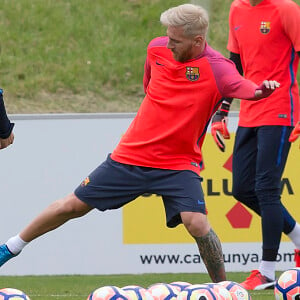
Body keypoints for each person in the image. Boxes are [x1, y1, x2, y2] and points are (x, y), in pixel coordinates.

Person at [0, 3, 280, 282]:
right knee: (72, 206)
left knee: (196, 222)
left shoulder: (219, 68)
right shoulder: (156, 49)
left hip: (178, 164)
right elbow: (149, 86)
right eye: (167, 36)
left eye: (175, 40)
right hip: (131, 155)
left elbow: (246, 88)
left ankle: (223, 289)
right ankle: (10, 248)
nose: (168, 44)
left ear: (198, 40)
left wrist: (261, 91)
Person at [211, 0, 300, 290]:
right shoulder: (237, 9)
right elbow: (234, 65)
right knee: (242, 189)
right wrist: (222, 111)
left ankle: (266, 272)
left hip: (280, 110)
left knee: (266, 189)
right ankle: (299, 238)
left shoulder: (286, 9)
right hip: (249, 112)